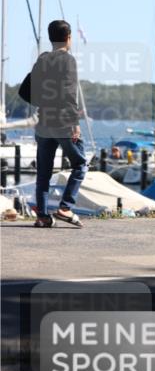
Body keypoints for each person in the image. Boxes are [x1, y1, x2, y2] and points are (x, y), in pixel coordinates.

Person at [31, 20, 87, 227]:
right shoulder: (68, 60)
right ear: (69, 38)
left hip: (44, 123)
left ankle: (43, 216)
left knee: (43, 173)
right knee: (80, 164)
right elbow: (70, 94)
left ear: (50, 37)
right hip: (63, 123)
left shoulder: (42, 59)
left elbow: (34, 92)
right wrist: (75, 123)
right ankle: (65, 208)